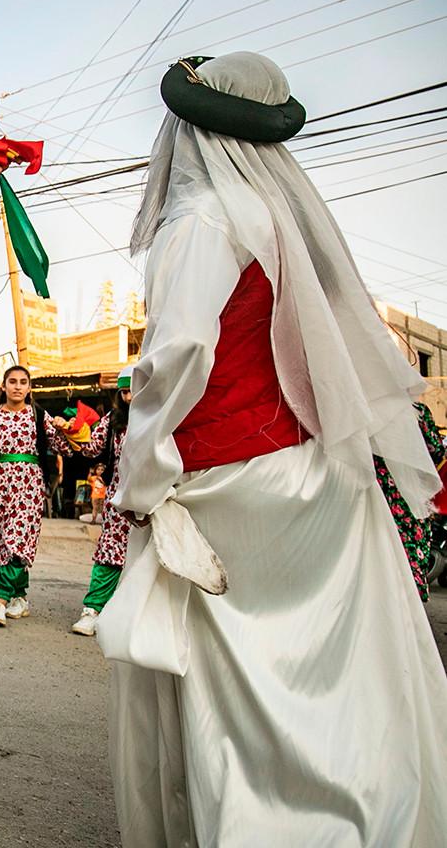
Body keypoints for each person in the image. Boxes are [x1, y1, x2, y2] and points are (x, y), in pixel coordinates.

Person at [99, 51, 447, 845]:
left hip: (233, 484)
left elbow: (179, 353)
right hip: (313, 474)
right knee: (330, 691)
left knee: (244, 706)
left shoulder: (202, 219)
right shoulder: (279, 219)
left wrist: (144, 478)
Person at [0, 365, 62, 626]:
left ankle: (0, 599)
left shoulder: (39, 415)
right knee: (1, 540)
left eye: (23, 382)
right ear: (4, 386)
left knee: (17, 538)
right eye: (12, 381)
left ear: (29, 388)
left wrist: (66, 426)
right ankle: (20, 596)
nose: (17, 386)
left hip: (29, 486)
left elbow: (62, 444)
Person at [60, 368, 131, 637]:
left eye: (134, 389)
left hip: (157, 498)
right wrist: (73, 430)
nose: (129, 397)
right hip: (119, 498)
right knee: (110, 554)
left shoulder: (162, 414)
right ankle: (92, 610)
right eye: (124, 392)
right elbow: (90, 447)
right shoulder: (115, 420)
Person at [374, 401, 446, 601]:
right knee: (409, 560)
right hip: (410, 501)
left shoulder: (365, 408)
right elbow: (437, 452)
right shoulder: (417, 411)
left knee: (379, 559)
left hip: (376, 495)